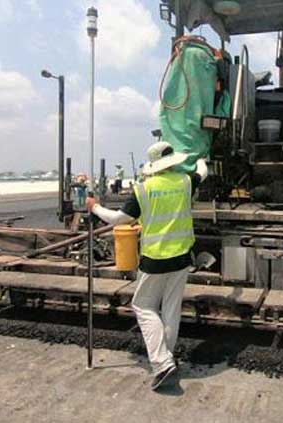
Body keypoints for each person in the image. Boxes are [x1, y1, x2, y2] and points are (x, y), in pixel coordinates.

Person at [87, 141, 207, 391]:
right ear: (172, 161)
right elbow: (202, 172)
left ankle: (162, 364)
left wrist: (95, 207)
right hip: (182, 256)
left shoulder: (144, 189)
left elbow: (118, 219)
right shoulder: (185, 182)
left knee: (143, 306)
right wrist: (200, 158)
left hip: (155, 259)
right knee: (171, 308)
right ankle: (167, 358)